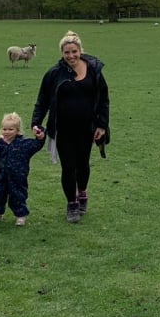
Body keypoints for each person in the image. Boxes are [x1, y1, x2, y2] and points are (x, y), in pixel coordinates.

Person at [31, 31, 110, 223]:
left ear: (80, 50)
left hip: (87, 128)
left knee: (83, 165)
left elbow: (103, 99)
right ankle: (72, 204)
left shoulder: (94, 70)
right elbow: (42, 101)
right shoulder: (54, 74)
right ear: (62, 53)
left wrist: (102, 124)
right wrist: (36, 122)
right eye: (66, 52)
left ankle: (82, 193)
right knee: (68, 167)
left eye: (74, 51)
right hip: (63, 129)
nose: (71, 56)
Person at [0, 112, 45, 226]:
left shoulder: (24, 145)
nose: (7, 132)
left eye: (10, 129)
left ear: (17, 130)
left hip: (18, 178)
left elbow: (37, 144)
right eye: (4, 129)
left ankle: (21, 216)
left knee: (18, 196)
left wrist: (40, 136)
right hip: (2, 178)